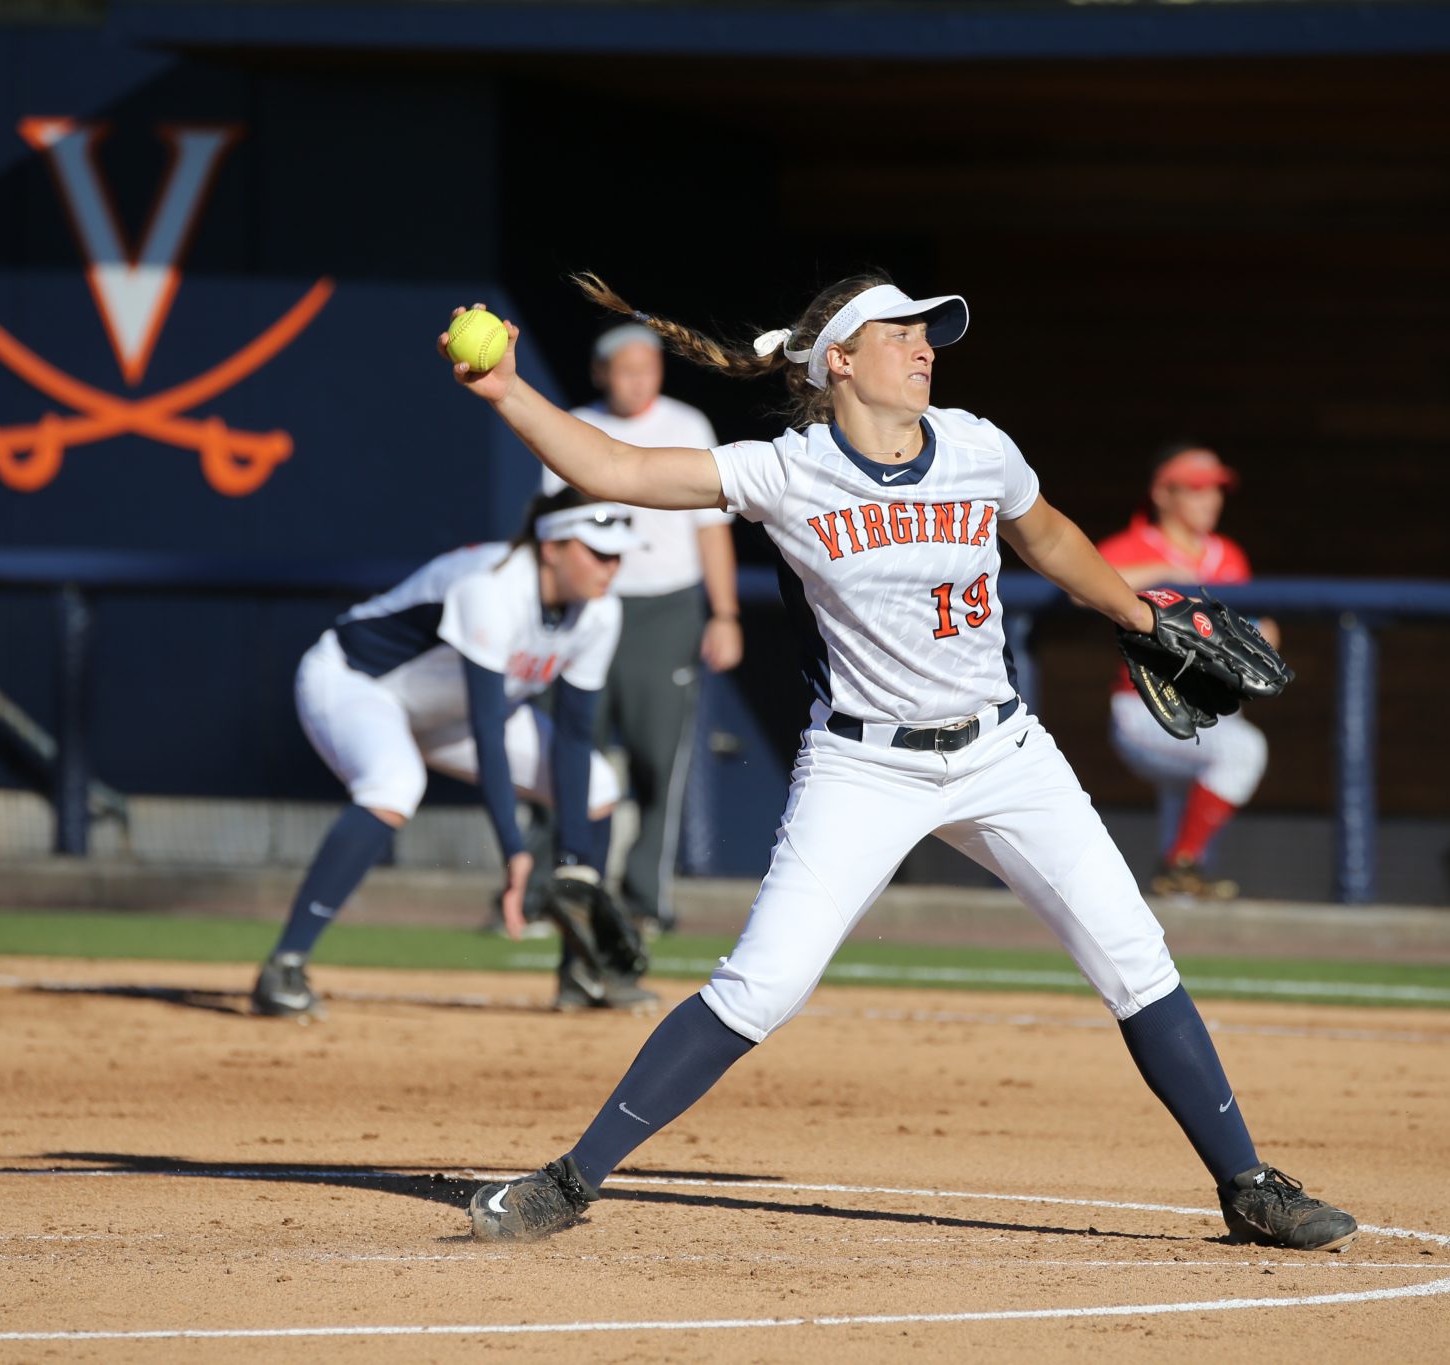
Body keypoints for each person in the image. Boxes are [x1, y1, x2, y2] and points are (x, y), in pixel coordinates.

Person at [438, 274, 1358, 1252]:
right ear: (838, 360)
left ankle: (1248, 1185)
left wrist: (1135, 614)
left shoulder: (977, 446)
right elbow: (616, 467)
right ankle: (570, 1181)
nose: (925, 349)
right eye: (901, 333)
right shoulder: (786, 471)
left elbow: (1043, 530)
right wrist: (507, 391)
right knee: (761, 987)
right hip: (862, 765)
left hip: (1003, 751)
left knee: (1134, 958)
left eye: (930, 335)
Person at [251, 487, 658, 1018]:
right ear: (551, 547)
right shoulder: (491, 586)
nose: (611, 567)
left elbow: (576, 736)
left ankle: (583, 972)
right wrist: (514, 850)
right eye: (598, 552)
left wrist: (573, 865)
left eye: (618, 555)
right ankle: (284, 965)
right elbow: (489, 729)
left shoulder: (600, 613)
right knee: (394, 784)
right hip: (358, 686)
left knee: (599, 787)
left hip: (451, 716)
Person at [536, 323, 743, 935]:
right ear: (601, 373)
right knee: (569, 750)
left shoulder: (687, 424)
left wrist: (725, 615)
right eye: (626, 370)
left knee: (658, 759)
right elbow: (553, 532)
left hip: (665, 611)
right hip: (590, 610)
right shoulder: (574, 424)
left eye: (649, 369)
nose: (638, 382)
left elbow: (712, 530)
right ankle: (552, 891)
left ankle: (644, 900)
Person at [1096, 445, 1278, 900]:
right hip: (1147, 707)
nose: (1210, 500)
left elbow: (1257, 628)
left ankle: (1178, 879)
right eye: (1197, 489)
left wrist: (1262, 639)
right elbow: (1079, 589)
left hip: (1210, 705)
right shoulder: (1134, 546)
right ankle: (1182, 862)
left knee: (1192, 812)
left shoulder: (1228, 554)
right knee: (1243, 751)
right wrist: (1162, 573)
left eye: (1215, 490)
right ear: (1163, 493)